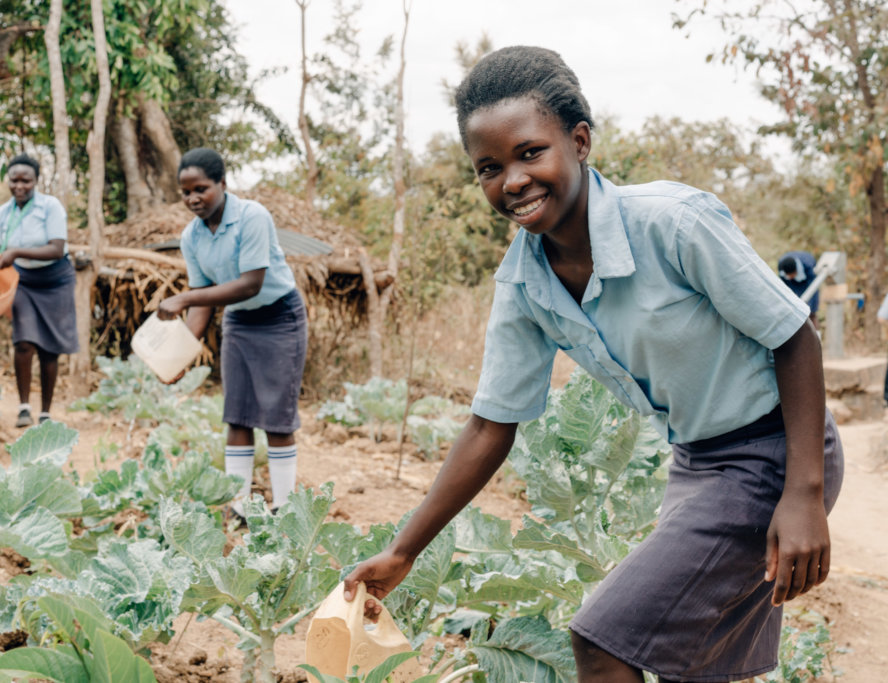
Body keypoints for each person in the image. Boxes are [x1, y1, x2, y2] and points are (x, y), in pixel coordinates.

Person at [343, 47, 843, 683]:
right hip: (696, 462)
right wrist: (403, 552)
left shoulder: (674, 224)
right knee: (697, 668)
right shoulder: (524, 284)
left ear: (579, 141)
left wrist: (803, 496)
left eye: (530, 152)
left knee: (601, 641)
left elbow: (793, 336)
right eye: (489, 168)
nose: (513, 180)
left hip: (778, 452)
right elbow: (490, 425)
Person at [158, 147, 307, 523]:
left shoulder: (252, 217)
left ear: (223, 184)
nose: (193, 198)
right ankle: (238, 508)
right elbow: (203, 305)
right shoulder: (191, 236)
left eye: (201, 189)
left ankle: (284, 508)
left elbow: (249, 285)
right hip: (239, 322)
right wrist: (180, 356)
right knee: (237, 416)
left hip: (279, 318)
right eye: (186, 192)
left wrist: (185, 297)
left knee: (277, 419)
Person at [0, 153, 78, 428]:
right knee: (24, 342)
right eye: (14, 180)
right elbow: (3, 254)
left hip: (55, 279)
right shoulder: (2, 214)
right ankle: (24, 407)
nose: (20, 186)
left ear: (36, 181)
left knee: (49, 349)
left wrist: (16, 251)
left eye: (26, 180)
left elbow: (56, 247)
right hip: (23, 281)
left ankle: (46, 412)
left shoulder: (50, 207)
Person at [778, 251, 820, 326]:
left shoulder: (808, 265)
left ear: (796, 271)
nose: (791, 277)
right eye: (789, 276)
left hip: (807, 280)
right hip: (791, 283)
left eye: (792, 275)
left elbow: (813, 289)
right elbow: (784, 287)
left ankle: (815, 329)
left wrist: (811, 309)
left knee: (810, 309)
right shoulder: (781, 266)